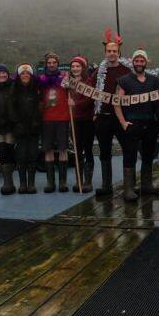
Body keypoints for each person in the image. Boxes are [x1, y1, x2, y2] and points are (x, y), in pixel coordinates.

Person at [115, 48, 159, 202]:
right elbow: (117, 103)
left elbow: (157, 103)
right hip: (132, 123)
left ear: (146, 62)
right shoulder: (124, 80)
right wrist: (123, 122)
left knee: (148, 154)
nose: (139, 63)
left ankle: (146, 185)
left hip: (150, 123)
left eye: (141, 61)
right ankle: (129, 189)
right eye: (136, 61)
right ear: (132, 62)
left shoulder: (153, 80)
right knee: (130, 155)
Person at [93, 29, 131, 196]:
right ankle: (107, 185)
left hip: (122, 116)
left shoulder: (126, 69)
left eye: (114, 51)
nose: (112, 54)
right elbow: (88, 87)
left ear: (119, 52)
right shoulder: (99, 71)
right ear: (105, 52)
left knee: (128, 149)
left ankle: (129, 187)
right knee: (104, 151)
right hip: (103, 117)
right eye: (109, 51)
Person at [39, 52, 70, 193]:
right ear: (46, 64)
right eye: (49, 63)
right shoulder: (41, 80)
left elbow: (74, 90)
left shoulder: (65, 78)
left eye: (54, 62)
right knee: (48, 149)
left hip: (63, 118)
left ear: (58, 63)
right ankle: (50, 182)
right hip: (47, 119)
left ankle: (62, 182)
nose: (51, 65)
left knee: (63, 149)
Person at [9, 64, 41, 194]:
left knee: (33, 155)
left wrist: (35, 121)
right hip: (20, 128)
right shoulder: (14, 89)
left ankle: (31, 183)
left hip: (33, 128)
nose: (25, 75)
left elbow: (40, 106)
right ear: (19, 75)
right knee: (21, 156)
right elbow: (11, 108)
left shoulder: (37, 89)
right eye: (23, 73)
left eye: (28, 73)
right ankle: (22, 183)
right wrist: (17, 123)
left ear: (31, 75)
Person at [68, 55, 96, 192]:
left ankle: (88, 181)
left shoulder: (89, 81)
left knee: (88, 149)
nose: (75, 68)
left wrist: (76, 103)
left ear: (83, 68)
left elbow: (90, 99)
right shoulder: (68, 82)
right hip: (74, 120)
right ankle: (79, 179)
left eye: (78, 66)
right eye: (73, 66)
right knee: (77, 150)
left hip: (86, 120)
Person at [0, 64, 16, 195]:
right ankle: (7, 182)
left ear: (8, 74)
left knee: (9, 150)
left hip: (10, 125)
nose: (2, 75)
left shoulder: (13, 86)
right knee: (1, 151)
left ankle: (9, 181)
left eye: (4, 73)